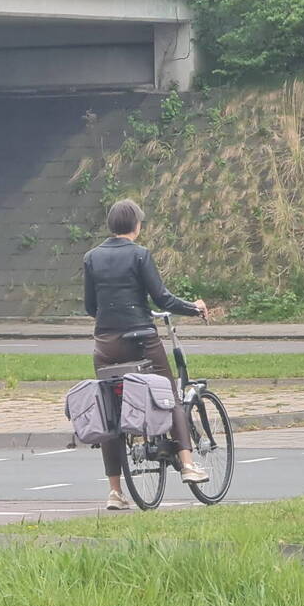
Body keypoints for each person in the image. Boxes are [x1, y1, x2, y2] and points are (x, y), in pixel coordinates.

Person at [83, 198, 210, 511]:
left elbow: (90, 306)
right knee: (170, 397)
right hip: (141, 340)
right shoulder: (140, 255)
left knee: (110, 413)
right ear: (136, 227)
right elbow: (162, 298)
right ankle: (188, 464)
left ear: (111, 226)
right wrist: (194, 308)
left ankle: (115, 492)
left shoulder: (91, 257)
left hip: (105, 345)